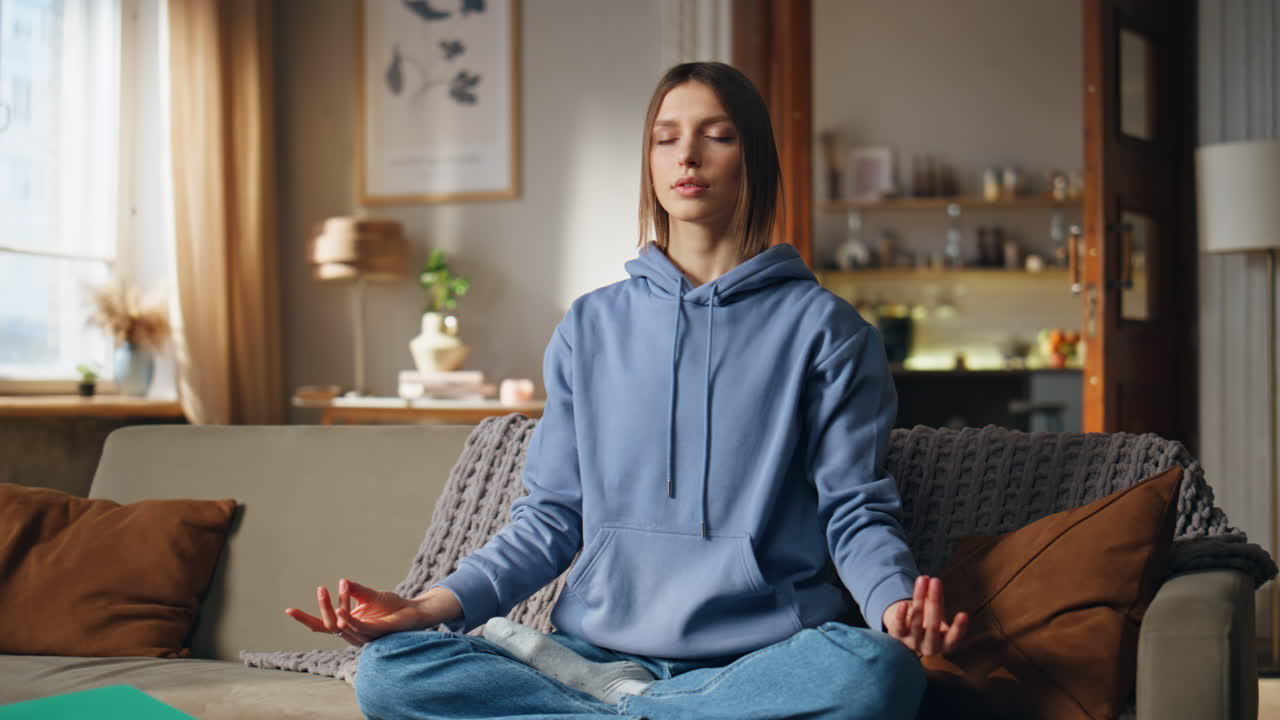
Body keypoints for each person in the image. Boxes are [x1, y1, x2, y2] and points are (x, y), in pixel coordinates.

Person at [287, 61, 967, 720]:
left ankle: (637, 707)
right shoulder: (590, 325)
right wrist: (426, 607)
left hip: (763, 657)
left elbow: (854, 509)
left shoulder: (829, 330)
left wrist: (893, 605)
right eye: (665, 139)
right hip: (594, 650)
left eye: (717, 135)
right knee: (389, 674)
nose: (687, 158)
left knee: (876, 675)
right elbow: (550, 518)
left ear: (754, 158)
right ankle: (665, 709)